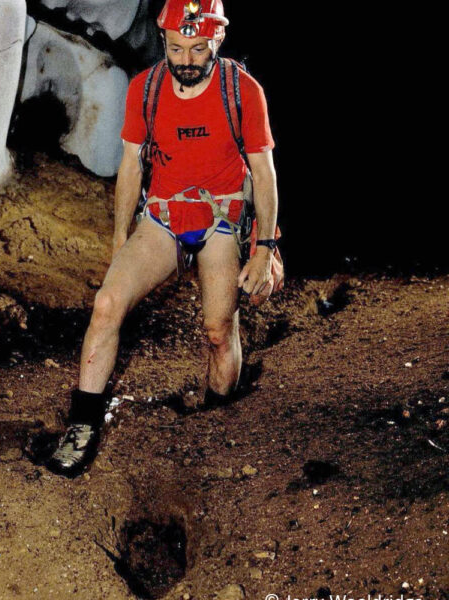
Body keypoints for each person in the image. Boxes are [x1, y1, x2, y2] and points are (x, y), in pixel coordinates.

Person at [46, 0, 279, 477]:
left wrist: (265, 248)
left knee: (217, 328)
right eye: (176, 48)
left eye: (197, 49)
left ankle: (215, 419)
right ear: (163, 41)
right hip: (164, 215)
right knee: (108, 303)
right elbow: (131, 165)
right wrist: (119, 238)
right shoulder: (146, 90)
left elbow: (263, 171)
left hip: (221, 215)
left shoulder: (242, 90)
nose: (186, 61)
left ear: (217, 39)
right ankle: (82, 425)